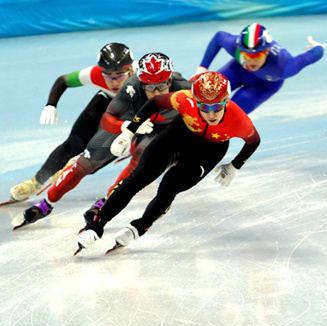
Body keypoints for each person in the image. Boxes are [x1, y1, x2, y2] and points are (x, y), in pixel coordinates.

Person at [76, 71, 261, 252]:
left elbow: (254, 141)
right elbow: (155, 102)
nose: (211, 114)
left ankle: (140, 226)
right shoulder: (184, 99)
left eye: (216, 107)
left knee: (170, 185)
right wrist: (129, 131)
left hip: (209, 150)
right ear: (195, 101)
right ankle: (96, 225)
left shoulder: (239, 120)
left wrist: (235, 165)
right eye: (204, 107)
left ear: (226, 102)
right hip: (178, 135)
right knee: (137, 178)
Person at [17, 53, 192, 227]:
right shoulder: (131, 86)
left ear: (169, 81)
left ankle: (107, 201)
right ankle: (47, 203)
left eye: (160, 86)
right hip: (132, 119)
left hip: (163, 128)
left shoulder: (186, 90)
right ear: (140, 82)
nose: (155, 93)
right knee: (85, 162)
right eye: (148, 87)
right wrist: (124, 127)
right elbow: (107, 118)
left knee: (141, 159)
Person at [9, 43, 135, 202]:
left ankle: (84, 161)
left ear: (130, 70)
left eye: (119, 75)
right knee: (73, 143)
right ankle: (36, 182)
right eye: (108, 75)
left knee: (101, 153)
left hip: (134, 109)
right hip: (106, 99)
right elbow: (63, 80)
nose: (114, 82)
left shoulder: (144, 79)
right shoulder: (95, 73)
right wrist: (50, 105)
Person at [190, 23, 326, 114]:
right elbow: (218, 37)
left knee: (227, 115)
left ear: (267, 51)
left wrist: (317, 47)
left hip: (264, 85)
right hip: (238, 70)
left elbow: (315, 55)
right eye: (247, 55)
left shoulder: (285, 66)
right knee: (200, 95)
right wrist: (202, 69)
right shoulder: (235, 46)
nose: (251, 60)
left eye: (257, 54)